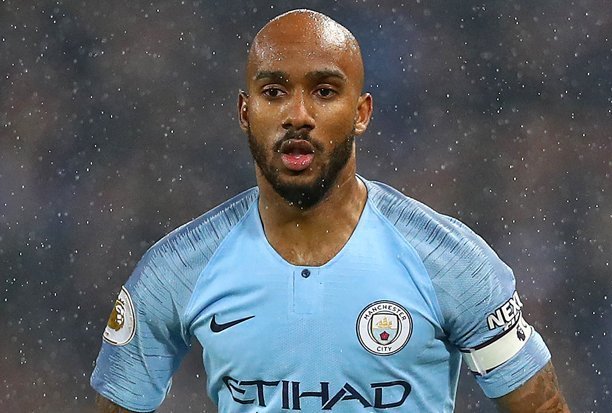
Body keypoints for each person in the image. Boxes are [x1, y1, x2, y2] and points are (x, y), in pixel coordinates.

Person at [91, 9, 570, 413]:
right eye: (274, 92)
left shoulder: (449, 260)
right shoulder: (177, 268)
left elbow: (541, 405)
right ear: (245, 112)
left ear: (361, 113)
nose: (297, 115)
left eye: (323, 91)